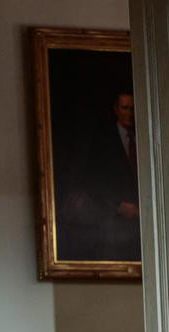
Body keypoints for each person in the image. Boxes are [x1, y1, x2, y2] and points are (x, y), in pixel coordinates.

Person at [60, 92, 141, 261]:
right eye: (125, 108)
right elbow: (93, 181)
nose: (130, 113)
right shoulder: (103, 140)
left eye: (133, 108)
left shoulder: (144, 137)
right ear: (116, 110)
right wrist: (118, 205)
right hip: (113, 223)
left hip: (141, 223)